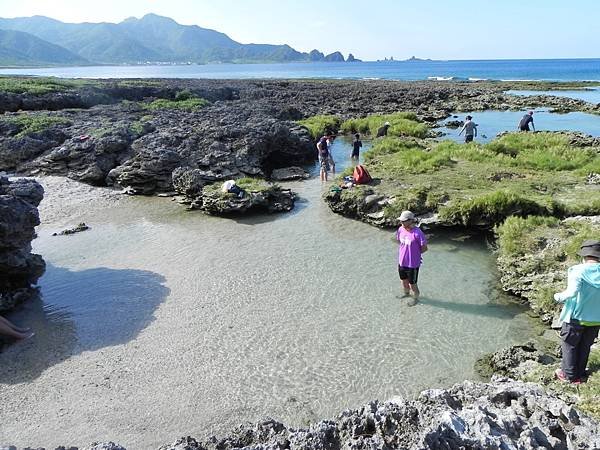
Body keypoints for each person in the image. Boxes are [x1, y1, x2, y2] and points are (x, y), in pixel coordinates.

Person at [553, 239, 600, 384]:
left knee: (570, 345)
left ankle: (569, 376)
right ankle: (580, 373)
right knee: (585, 346)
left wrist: (557, 297)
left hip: (576, 317)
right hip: (596, 319)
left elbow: (572, 293)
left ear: (584, 256)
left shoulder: (577, 270)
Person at [396, 210, 428, 301]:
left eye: (404, 220)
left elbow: (425, 248)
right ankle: (406, 294)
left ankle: (416, 299)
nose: (401, 222)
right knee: (404, 282)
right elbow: (399, 241)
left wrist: (416, 254)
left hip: (413, 264)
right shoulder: (400, 229)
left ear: (411, 220)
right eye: (401, 220)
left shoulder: (418, 233)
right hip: (402, 262)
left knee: (413, 285)